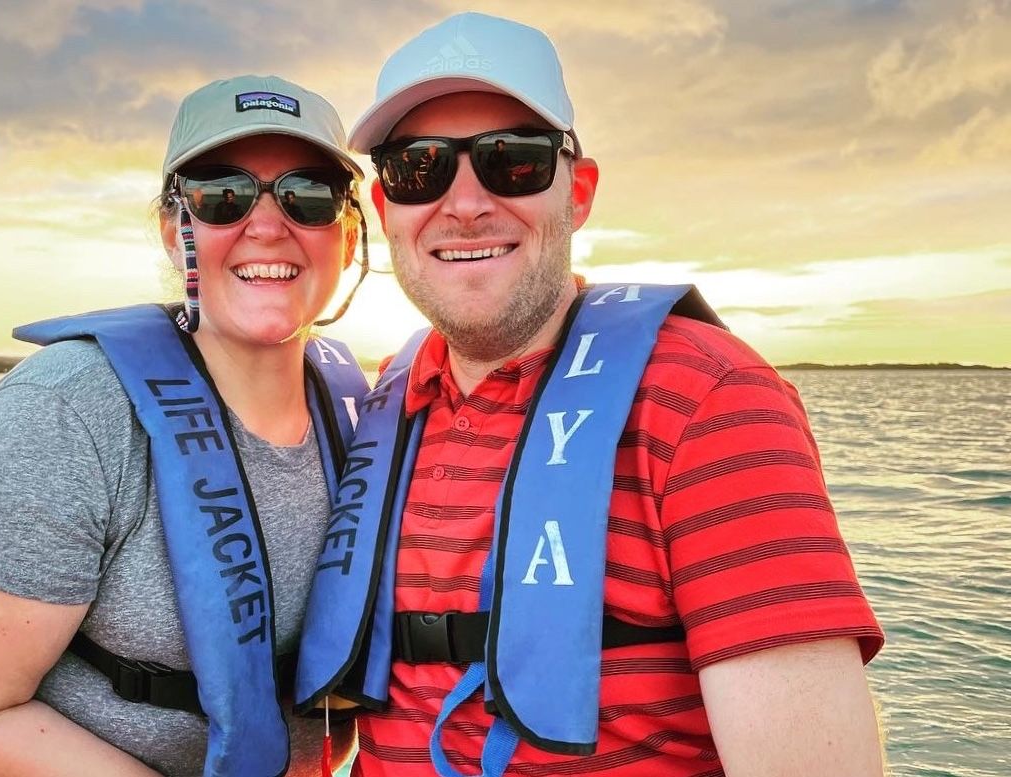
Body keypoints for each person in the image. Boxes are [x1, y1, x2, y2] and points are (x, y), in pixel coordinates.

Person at [295, 12, 886, 777]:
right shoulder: (387, 407)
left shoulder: (709, 400)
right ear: (386, 210)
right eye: (421, 168)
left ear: (579, 192)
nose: (465, 201)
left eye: (513, 161)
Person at [0, 74, 369, 777]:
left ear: (349, 236)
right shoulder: (68, 410)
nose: (267, 224)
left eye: (309, 194)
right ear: (177, 233)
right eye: (221, 193)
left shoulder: (366, 417)